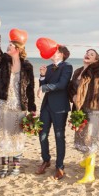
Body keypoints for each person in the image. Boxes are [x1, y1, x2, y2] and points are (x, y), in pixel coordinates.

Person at [0, 16, 36, 178]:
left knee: (16, 135)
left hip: (19, 107)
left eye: (10, 45)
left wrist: (32, 109)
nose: (7, 47)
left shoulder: (27, 66)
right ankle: (4, 167)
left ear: (17, 48)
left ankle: (15, 167)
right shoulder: (4, 62)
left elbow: (30, 89)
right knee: (3, 135)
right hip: (3, 105)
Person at [67, 38, 99, 183]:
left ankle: (90, 174)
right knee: (82, 136)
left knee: (90, 138)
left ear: (95, 60)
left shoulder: (96, 70)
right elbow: (70, 89)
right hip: (79, 109)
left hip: (93, 108)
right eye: (87, 52)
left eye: (92, 54)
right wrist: (73, 96)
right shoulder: (78, 71)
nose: (88, 54)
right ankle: (86, 160)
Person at [35, 45, 73, 180]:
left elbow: (62, 85)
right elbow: (42, 86)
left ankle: (59, 166)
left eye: (55, 51)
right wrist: (42, 76)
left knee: (59, 136)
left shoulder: (67, 67)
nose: (51, 52)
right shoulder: (49, 67)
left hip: (60, 107)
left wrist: (44, 87)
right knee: (42, 134)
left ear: (62, 54)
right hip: (46, 106)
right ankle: (46, 160)